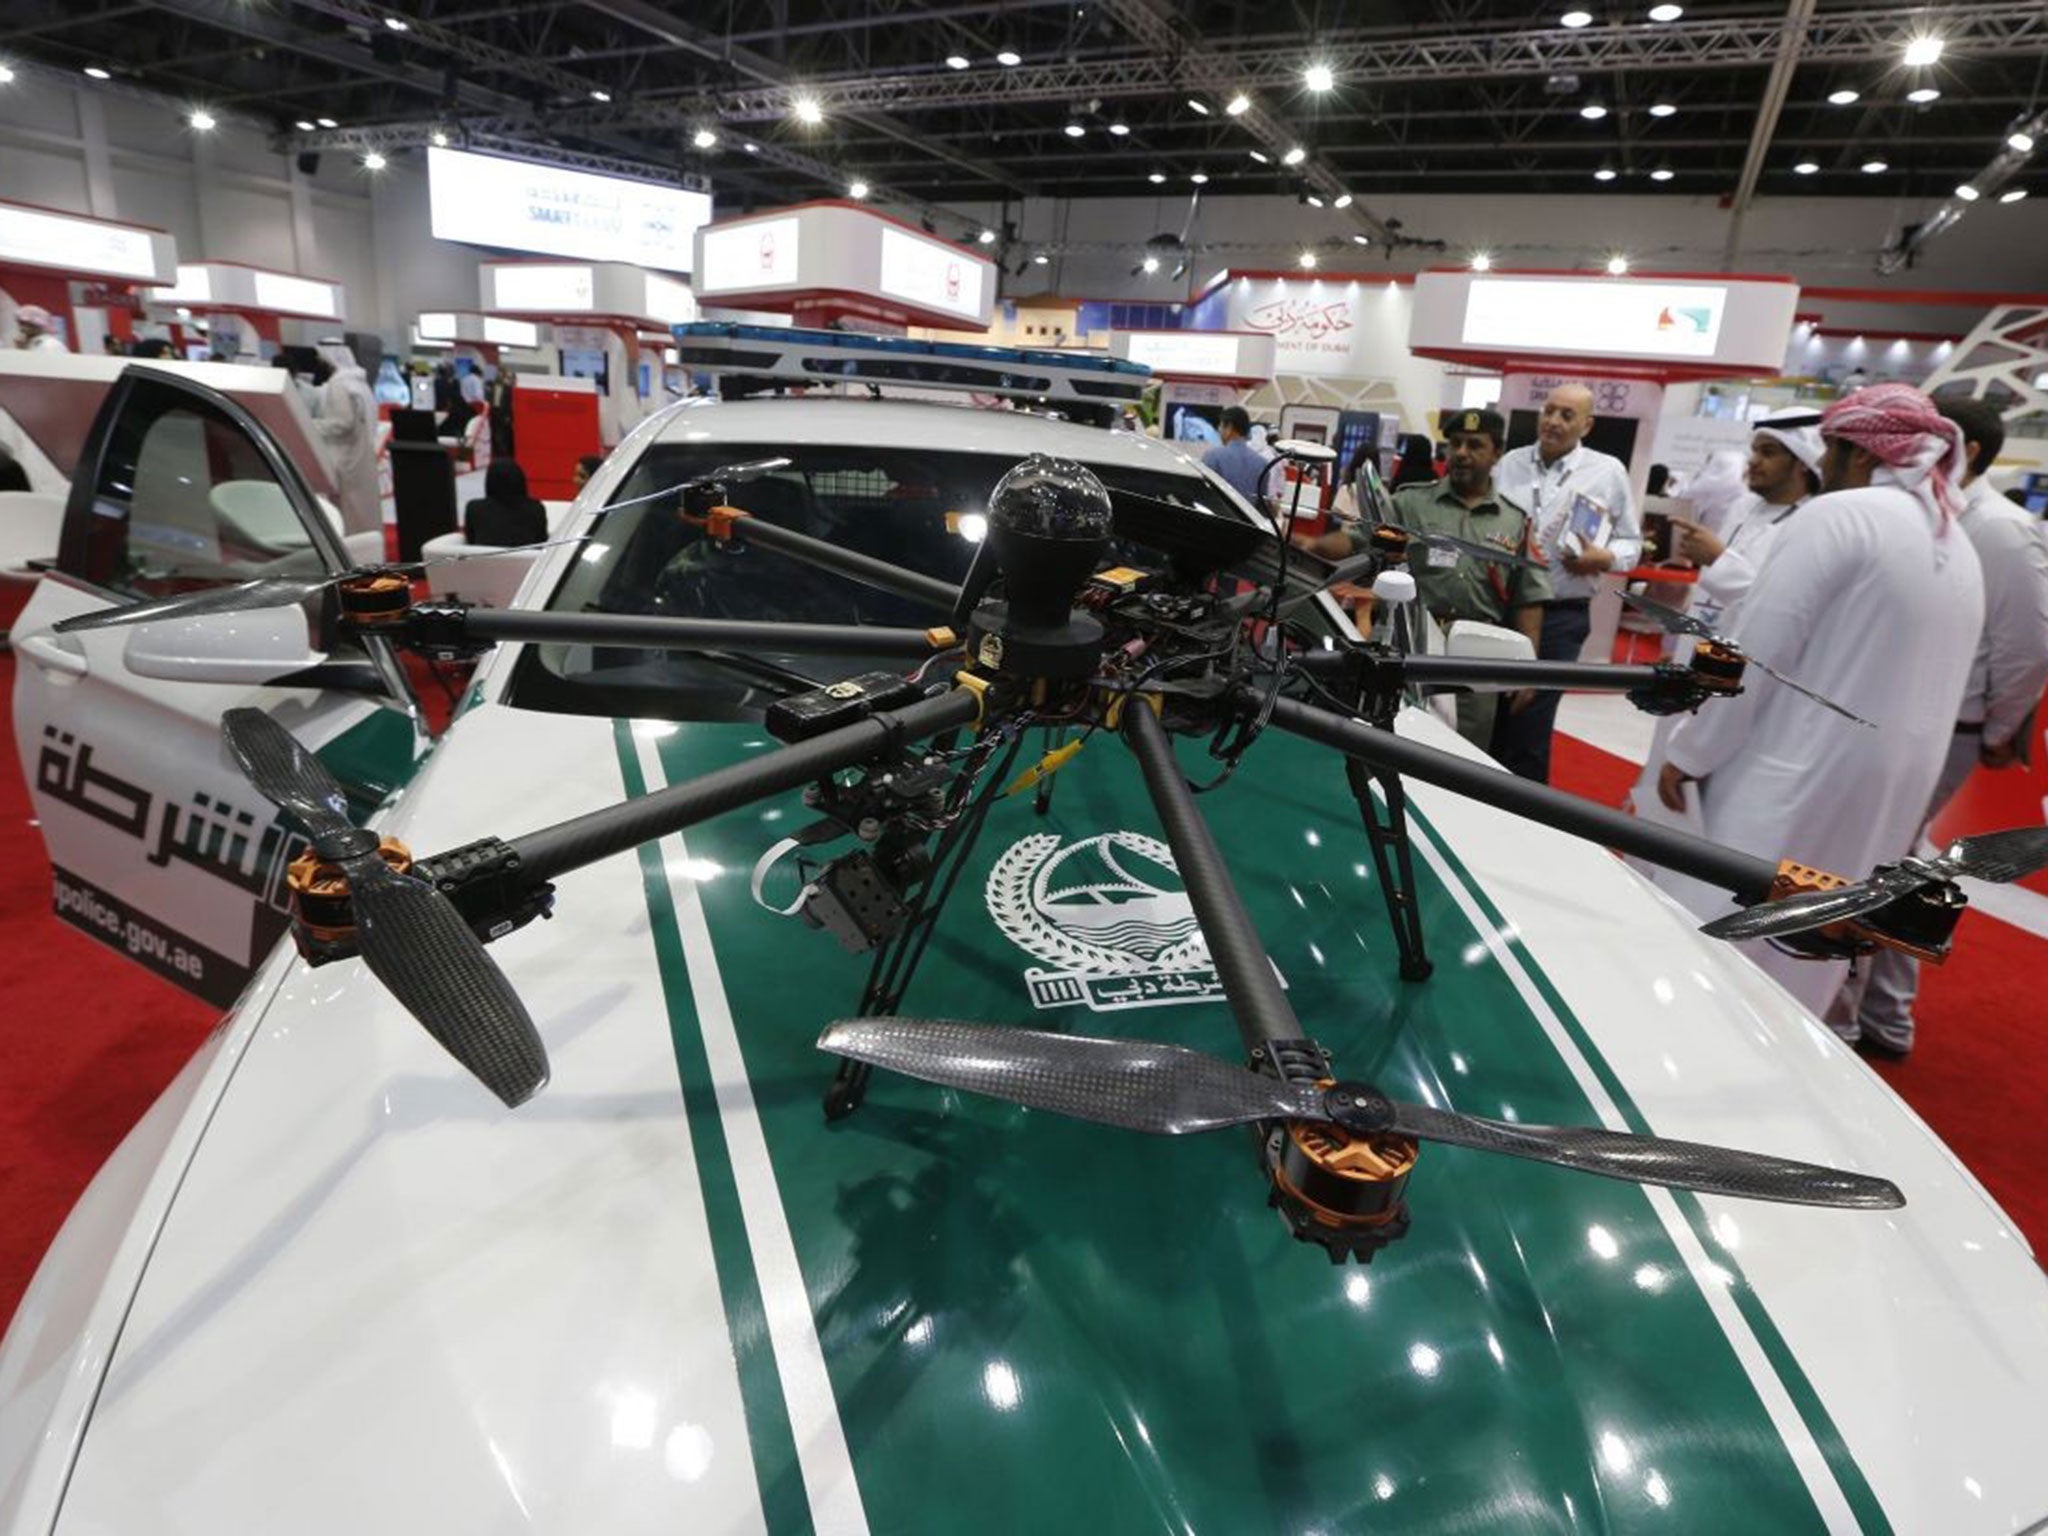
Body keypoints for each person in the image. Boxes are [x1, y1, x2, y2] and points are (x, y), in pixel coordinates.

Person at [1654, 384, 1985, 1018]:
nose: (1823, 467)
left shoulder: (1840, 515)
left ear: (1858, 455)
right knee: (1816, 950)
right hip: (1889, 797)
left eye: (1830, 450)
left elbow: (1755, 651)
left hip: (1786, 777)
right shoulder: (1958, 545)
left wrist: (1690, 751)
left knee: (1719, 948)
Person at [1826, 396, 2048, 1056]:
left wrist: (1999, 729)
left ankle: (1845, 1015)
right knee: (1902, 857)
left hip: (1948, 721)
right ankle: (1886, 1015)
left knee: (1871, 856)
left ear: (1966, 450)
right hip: (1908, 713)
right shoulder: (1933, 515)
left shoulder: (1999, 528)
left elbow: (2030, 643)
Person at [1360, 409, 1552, 749]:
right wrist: (1308, 542)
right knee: (1394, 741)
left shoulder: (1514, 521)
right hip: (1413, 644)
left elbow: (1528, 598)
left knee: (1466, 754)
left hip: (1477, 655)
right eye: (1456, 444)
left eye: (1475, 445)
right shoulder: (1409, 503)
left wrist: (1529, 667)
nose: (1462, 452)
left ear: (1497, 453)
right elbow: (1359, 540)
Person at [1490, 384, 1641, 781]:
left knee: (1530, 728)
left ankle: (1525, 820)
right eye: (1549, 411)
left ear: (1586, 425)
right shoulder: (1510, 463)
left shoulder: (1607, 472)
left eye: (1567, 415)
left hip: (1561, 616)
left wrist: (1605, 557)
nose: (1554, 421)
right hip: (1504, 612)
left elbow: (1632, 543)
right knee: (1490, 719)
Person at [1671, 407, 1826, 634]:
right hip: (1701, 641)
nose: (1753, 461)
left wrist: (1718, 559)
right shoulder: (1743, 506)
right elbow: (1708, 592)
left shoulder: (1816, 520)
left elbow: (1782, 605)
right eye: (1754, 452)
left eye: (1768, 453)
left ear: (1803, 461)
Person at [310, 339, 382, 536]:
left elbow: (342, 423)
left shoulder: (339, 385)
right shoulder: (359, 382)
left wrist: (310, 424)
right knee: (364, 506)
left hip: (345, 456)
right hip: (362, 453)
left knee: (349, 510)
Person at [463, 460, 549, 547]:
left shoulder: (473, 508)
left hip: (482, 559)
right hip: (529, 560)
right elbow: (542, 544)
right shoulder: (536, 509)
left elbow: (470, 542)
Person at [1201, 405, 1271, 506]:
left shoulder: (1212, 456)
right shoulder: (1262, 463)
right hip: (1247, 520)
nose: (1218, 430)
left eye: (1220, 426)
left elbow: (1205, 495)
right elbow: (1262, 501)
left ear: (1229, 427)